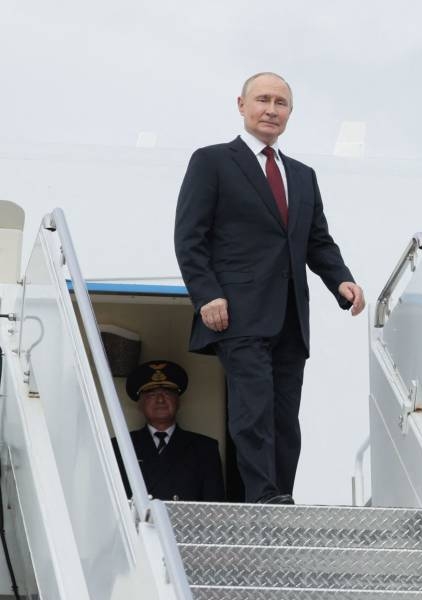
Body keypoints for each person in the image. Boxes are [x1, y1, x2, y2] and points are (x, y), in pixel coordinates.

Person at [174, 72, 365, 505]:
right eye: (262, 99)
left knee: (284, 417)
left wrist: (342, 280)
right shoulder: (212, 161)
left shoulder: (302, 176)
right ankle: (262, 497)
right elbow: (189, 236)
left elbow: (316, 241)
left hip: (290, 317)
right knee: (253, 409)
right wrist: (206, 295)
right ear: (241, 105)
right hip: (238, 313)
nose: (271, 109)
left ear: (289, 114)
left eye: (280, 103)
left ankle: (281, 496)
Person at [114, 360, 225, 502]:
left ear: (178, 402)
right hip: (139, 523)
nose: (160, 400)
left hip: (186, 524)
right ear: (140, 404)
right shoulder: (120, 446)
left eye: (167, 393)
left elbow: (213, 508)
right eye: (152, 395)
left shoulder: (205, 448)